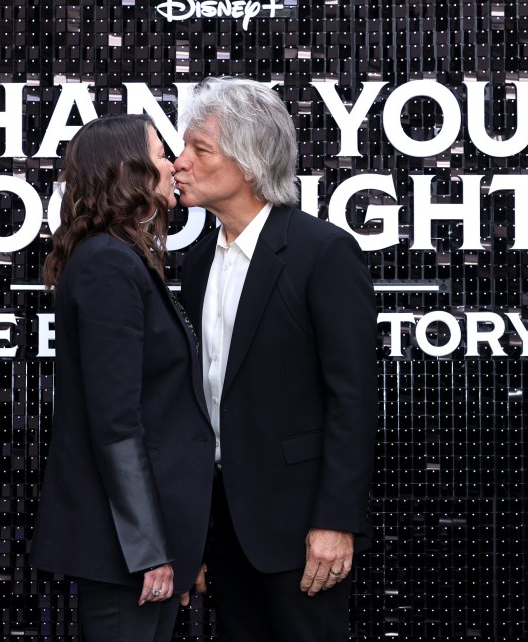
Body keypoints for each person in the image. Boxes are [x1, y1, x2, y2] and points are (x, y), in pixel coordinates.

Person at [174, 77, 379, 641]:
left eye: (199, 149)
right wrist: (191, 532)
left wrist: (335, 521)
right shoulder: (196, 264)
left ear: (247, 161)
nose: (178, 163)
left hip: (300, 531)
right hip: (221, 529)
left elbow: (353, 400)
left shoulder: (322, 253)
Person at [32, 114, 215, 642]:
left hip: (137, 545)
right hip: (123, 551)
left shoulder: (120, 257)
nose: (174, 165)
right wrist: (150, 550)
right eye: (161, 154)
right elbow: (115, 422)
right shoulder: (108, 263)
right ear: (128, 172)